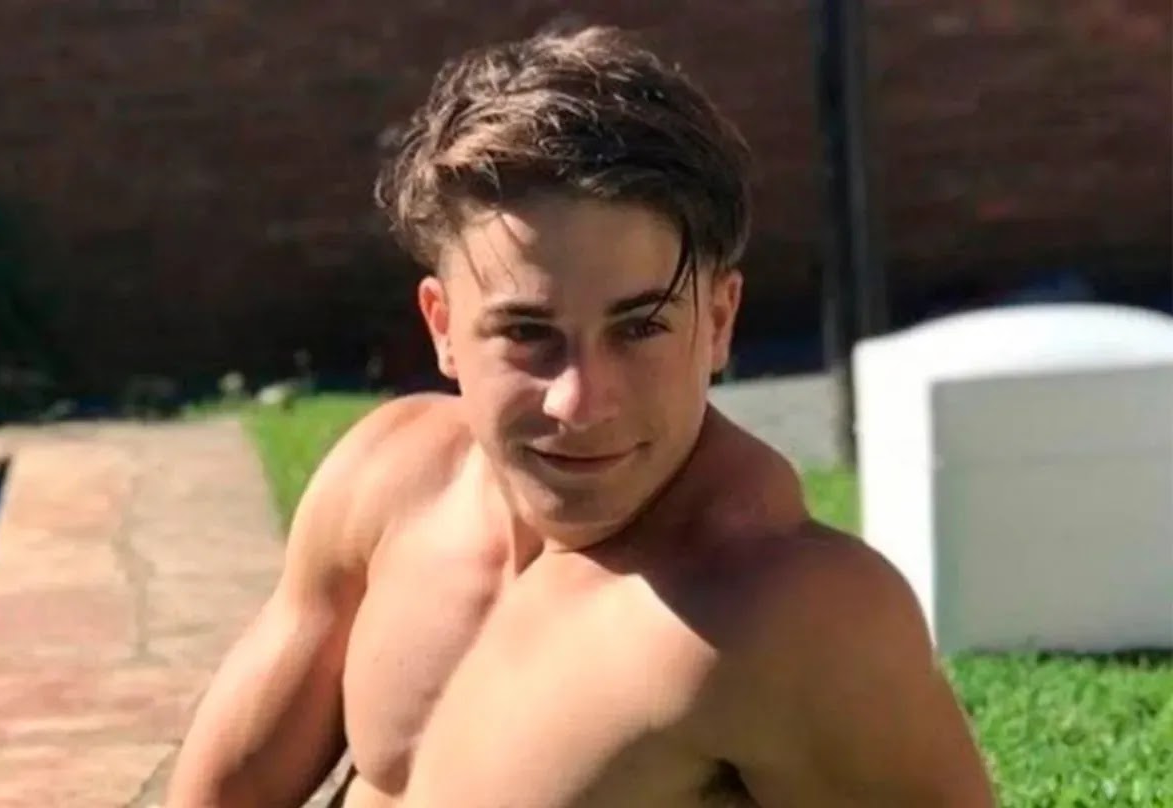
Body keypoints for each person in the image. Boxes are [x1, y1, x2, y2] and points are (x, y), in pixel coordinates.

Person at [166, 24, 994, 808]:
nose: (580, 402)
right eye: (527, 333)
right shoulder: (386, 483)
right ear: (443, 327)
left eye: (639, 328)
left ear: (717, 322)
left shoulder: (786, 610)